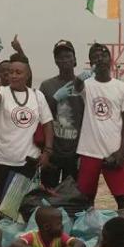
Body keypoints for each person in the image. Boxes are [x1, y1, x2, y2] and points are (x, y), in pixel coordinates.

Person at [73, 43, 124, 208]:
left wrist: (121, 152)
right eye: (95, 57)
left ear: (111, 59)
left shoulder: (123, 88)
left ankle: (123, 232)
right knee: (86, 199)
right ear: (90, 62)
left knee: (121, 199)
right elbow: (76, 87)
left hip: (113, 152)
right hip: (89, 151)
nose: (100, 59)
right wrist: (79, 79)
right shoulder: (87, 85)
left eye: (103, 55)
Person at [0, 60, 54, 204]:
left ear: (28, 75)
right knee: (3, 205)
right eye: (10, 72)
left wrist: (47, 152)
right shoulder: (2, 93)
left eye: (18, 72)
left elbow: (48, 124)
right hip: (2, 160)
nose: (13, 75)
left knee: (23, 205)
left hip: (28, 162)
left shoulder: (37, 95)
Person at [39, 40, 87, 188]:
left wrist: (84, 153)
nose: (64, 59)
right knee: (48, 194)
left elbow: (91, 119)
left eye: (68, 55)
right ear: (55, 61)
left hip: (76, 152)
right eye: (60, 57)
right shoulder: (46, 86)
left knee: (72, 196)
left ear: (75, 60)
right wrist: (55, 99)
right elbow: (41, 117)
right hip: (53, 151)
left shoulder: (86, 85)